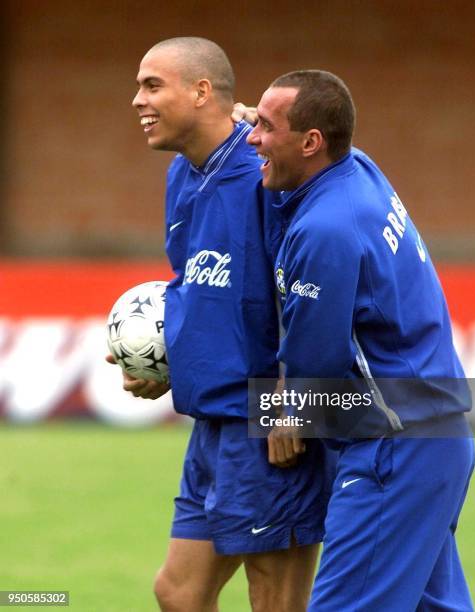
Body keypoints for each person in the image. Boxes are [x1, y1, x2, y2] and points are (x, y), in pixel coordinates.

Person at [109, 39, 333, 612]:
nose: (137, 100)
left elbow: (311, 291)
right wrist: (170, 363)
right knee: (178, 593)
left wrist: (294, 397)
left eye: (152, 85)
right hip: (212, 418)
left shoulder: (266, 172)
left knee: (275, 600)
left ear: (202, 91)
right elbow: (199, 287)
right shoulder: (182, 176)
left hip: (268, 418)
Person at [247, 70, 475, 611]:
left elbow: (315, 359)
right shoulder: (357, 168)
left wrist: (288, 412)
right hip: (437, 438)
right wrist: (244, 120)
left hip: (392, 450)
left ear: (310, 142)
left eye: (263, 125)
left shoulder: (326, 228)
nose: (252, 136)